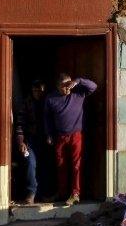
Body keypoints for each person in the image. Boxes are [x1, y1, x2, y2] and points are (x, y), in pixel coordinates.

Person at [44, 73, 97, 206]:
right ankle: (62, 193)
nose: (67, 88)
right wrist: (49, 134)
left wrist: (78, 81)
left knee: (76, 165)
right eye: (63, 86)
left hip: (76, 135)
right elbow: (47, 118)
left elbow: (93, 86)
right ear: (57, 87)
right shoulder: (51, 98)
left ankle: (75, 194)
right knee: (61, 165)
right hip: (60, 136)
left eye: (68, 85)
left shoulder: (78, 94)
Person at [13, 80, 47, 204]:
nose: (38, 93)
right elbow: (20, 125)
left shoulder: (48, 102)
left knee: (44, 166)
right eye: (35, 90)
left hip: (46, 139)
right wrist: (21, 142)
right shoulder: (26, 104)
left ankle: (43, 194)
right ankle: (31, 193)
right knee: (30, 164)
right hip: (30, 140)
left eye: (41, 90)